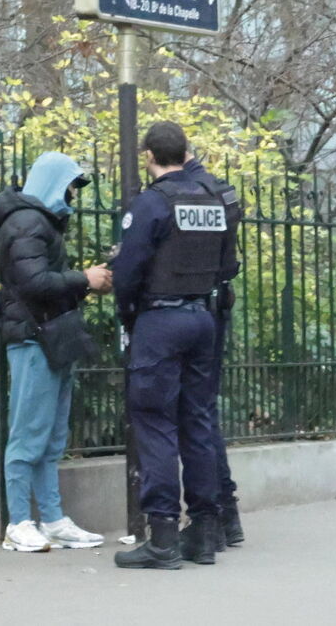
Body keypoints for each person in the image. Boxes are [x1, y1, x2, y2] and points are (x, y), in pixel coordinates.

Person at [112, 122, 239, 570]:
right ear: (186, 153)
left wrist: (129, 314)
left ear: (149, 156)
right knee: (198, 422)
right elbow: (228, 263)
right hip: (203, 317)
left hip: (160, 320)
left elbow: (127, 272)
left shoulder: (152, 203)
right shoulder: (212, 199)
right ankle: (204, 532)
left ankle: (162, 535)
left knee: (155, 423)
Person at [0, 151, 111, 552]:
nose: (73, 194)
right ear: (55, 183)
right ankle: (19, 521)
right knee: (29, 435)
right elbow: (34, 281)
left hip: (46, 339)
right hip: (33, 340)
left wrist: (80, 280)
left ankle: (52, 519)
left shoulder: (37, 222)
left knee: (51, 437)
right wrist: (85, 279)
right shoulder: (26, 222)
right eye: (71, 186)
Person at [181, 153, 244, 550]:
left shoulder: (184, 193)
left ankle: (218, 513)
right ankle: (227, 513)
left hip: (188, 307)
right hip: (215, 306)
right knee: (206, 412)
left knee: (197, 414)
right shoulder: (223, 190)